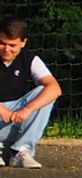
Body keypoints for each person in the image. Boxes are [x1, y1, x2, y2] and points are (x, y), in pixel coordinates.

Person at [0, 15, 61, 168]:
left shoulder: (29, 59)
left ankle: (21, 150)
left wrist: (27, 110)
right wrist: (2, 110)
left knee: (45, 92)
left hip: (13, 121)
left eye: (12, 45)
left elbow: (55, 88)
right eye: (2, 43)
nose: (6, 49)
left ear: (23, 42)